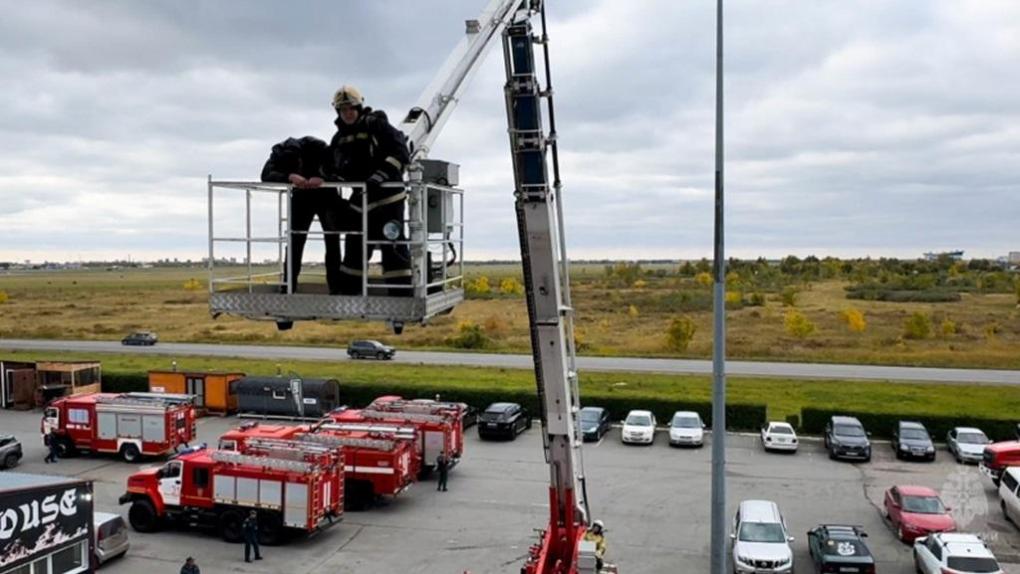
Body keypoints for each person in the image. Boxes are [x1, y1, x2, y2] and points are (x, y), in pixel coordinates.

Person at [328, 85, 412, 296]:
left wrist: (380, 176)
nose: (347, 113)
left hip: (387, 198)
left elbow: (401, 152)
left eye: (350, 109)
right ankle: (349, 293)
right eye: (343, 110)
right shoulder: (339, 139)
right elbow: (333, 166)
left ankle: (400, 295)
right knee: (355, 245)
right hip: (362, 200)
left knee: (392, 245)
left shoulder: (377, 126)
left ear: (358, 108)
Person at [261, 136, 347, 297]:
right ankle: (289, 285)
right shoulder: (281, 152)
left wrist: (324, 179)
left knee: (331, 240)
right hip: (302, 196)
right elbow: (265, 174)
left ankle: (335, 287)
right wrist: (289, 177)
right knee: (296, 240)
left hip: (326, 194)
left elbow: (344, 173)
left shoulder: (323, 150)